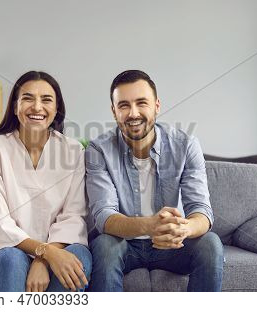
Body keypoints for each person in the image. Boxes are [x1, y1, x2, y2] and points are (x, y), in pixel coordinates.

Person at [86, 70, 224, 292]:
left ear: (157, 105)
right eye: (123, 105)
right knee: (104, 246)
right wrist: (152, 225)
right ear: (114, 111)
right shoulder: (99, 149)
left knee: (210, 244)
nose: (133, 113)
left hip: (172, 246)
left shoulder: (186, 145)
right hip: (123, 243)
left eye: (142, 103)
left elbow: (201, 210)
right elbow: (105, 217)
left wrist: (184, 228)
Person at [0, 71, 91, 292]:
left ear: (56, 110)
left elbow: (73, 216)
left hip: (56, 243)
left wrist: (44, 258)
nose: (37, 107)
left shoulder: (73, 151)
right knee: (13, 260)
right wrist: (46, 253)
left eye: (46, 100)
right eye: (27, 98)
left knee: (78, 256)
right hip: (4, 246)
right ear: (15, 107)